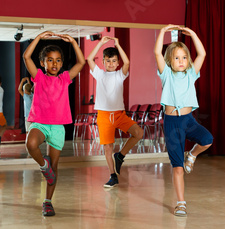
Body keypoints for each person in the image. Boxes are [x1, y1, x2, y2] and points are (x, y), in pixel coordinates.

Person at [23, 31, 85, 216]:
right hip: (40, 124)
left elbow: (81, 62)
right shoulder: (39, 77)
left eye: (58, 60)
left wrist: (74, 42)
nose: (54, 63)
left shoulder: (64, 79)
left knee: (55, 168)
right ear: (42, 63)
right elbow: (27, 56)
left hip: (58, 127)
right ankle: (43, 165)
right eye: (50, 60)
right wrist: (39, 38)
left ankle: (47, 202)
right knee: (31, 144)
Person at [154, 24, 213, 217]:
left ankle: (193, 156)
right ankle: (181, 203)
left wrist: (194, 34)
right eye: (177, 57)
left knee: (207, 139)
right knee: (177, 167)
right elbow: (156, 52)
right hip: (172, 124)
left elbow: (202, 54)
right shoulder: (166, 75)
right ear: (169, 61)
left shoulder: (191, 74)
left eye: (184, 57)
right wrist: (162, 32)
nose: (181, 61)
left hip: (188, 120)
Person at [86, 36, 143, 188]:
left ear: (118, 63)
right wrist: (100, 43)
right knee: (107, 147)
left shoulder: (120, 75)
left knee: (138, 133)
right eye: (108, 61)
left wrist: (118, 44)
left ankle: (121, 155)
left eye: (114, 61)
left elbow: (128, 62)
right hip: (104, 116)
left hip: (119, 115)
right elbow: (90, 59)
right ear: (103, 62)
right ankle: (112, 175)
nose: (111, 64)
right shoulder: (99, 74)